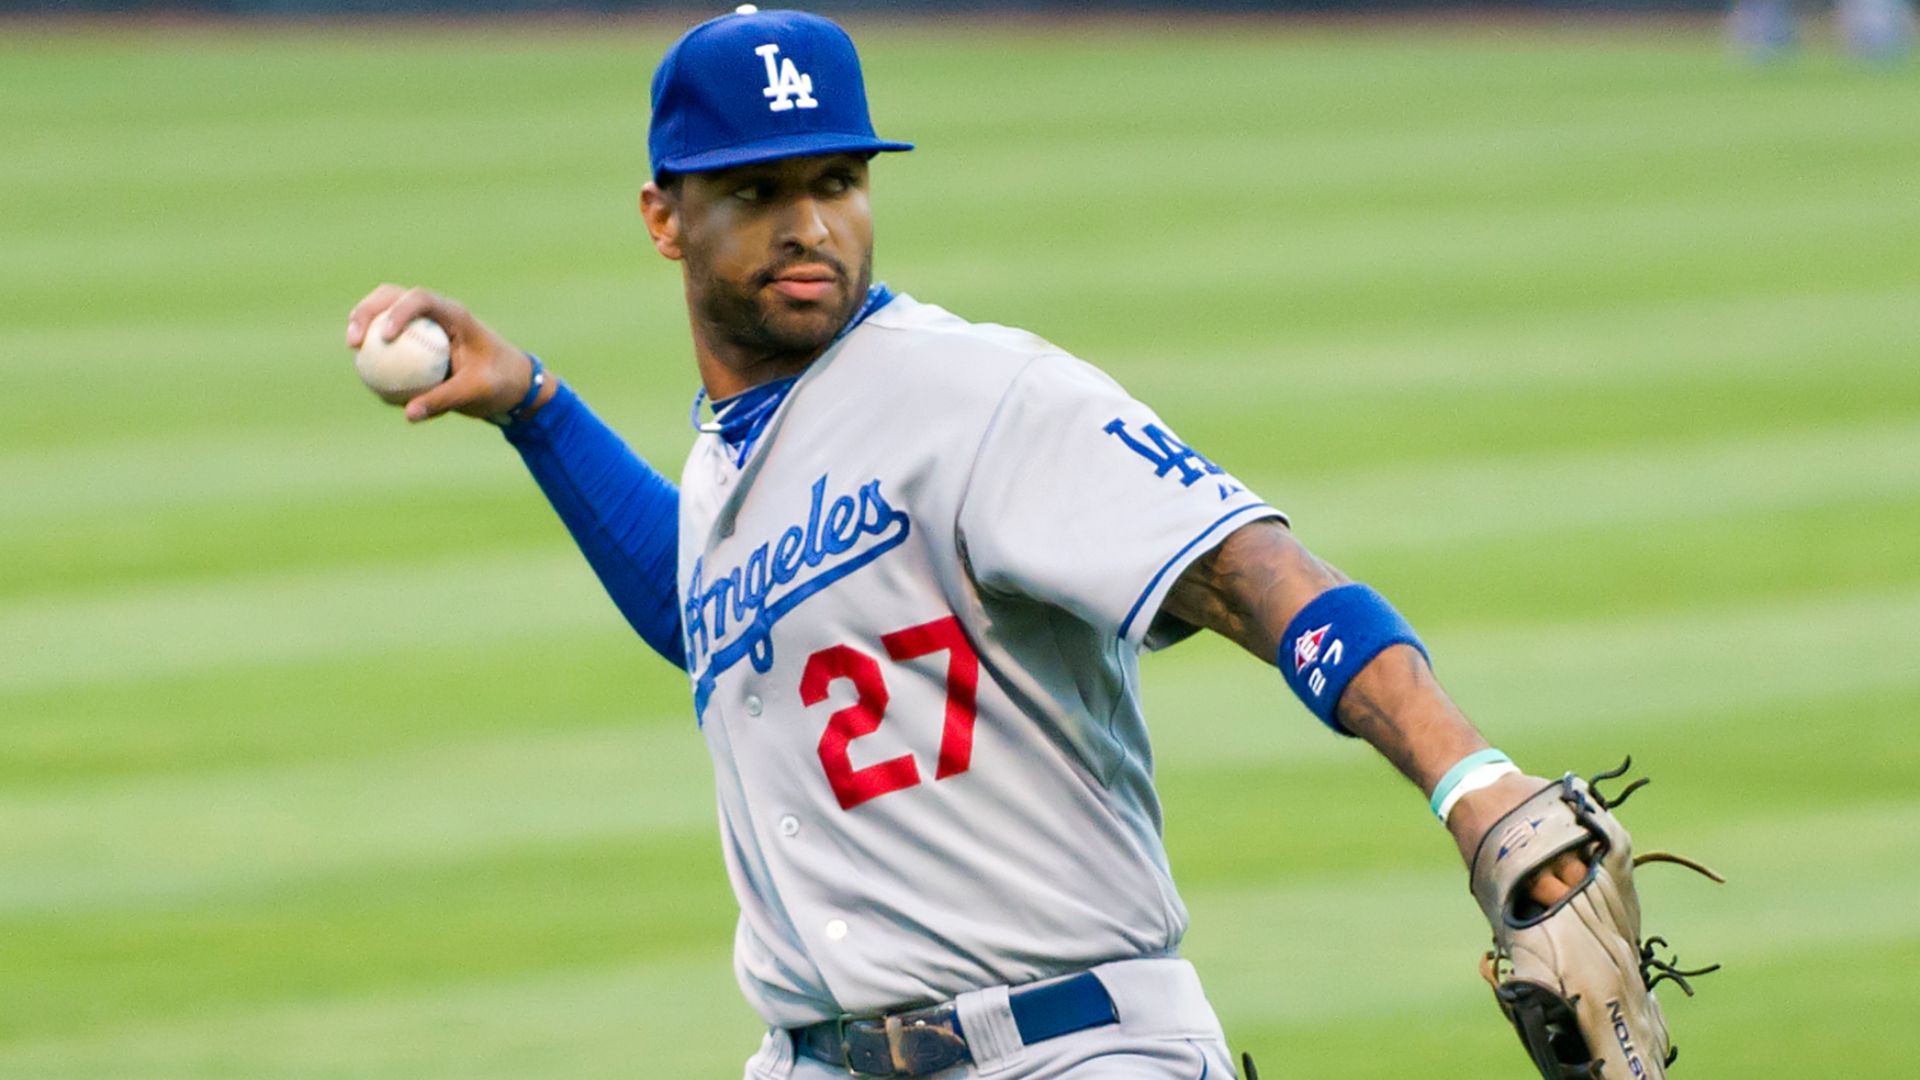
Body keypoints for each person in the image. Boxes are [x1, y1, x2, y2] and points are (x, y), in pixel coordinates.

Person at [345, 7, 1588, 1078]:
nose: (811, 226)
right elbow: (710, 611)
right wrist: (538, 411)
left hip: (1069, 1043)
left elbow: (1254, 573)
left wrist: (1472, 788)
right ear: (664, 219)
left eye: (836, 182)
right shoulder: (737, 448)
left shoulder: (982, 396)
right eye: (758, 192)